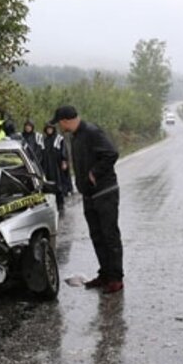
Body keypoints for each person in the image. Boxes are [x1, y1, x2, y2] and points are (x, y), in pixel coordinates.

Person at [50, 105, 124, 294]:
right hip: (89, 194)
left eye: (59, 123)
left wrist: (94, 173)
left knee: (109, 235)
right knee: (97, 235)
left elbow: (111, 153)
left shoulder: (92, 132)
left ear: (65, 120)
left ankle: (116, 279)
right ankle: (105, 274)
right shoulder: (75, 137)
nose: (59, 126)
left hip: (105, 192)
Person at [42, 122, 69, 211]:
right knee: (49, 184)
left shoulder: (59, 139)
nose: (49, 130)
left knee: (58, 184)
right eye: (48, 129)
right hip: (47, 165)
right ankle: (51, 205)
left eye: (51, 129)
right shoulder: (44, 140)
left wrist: (64, 161)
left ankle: (60, 204)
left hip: (57, 165)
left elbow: (63, 150)